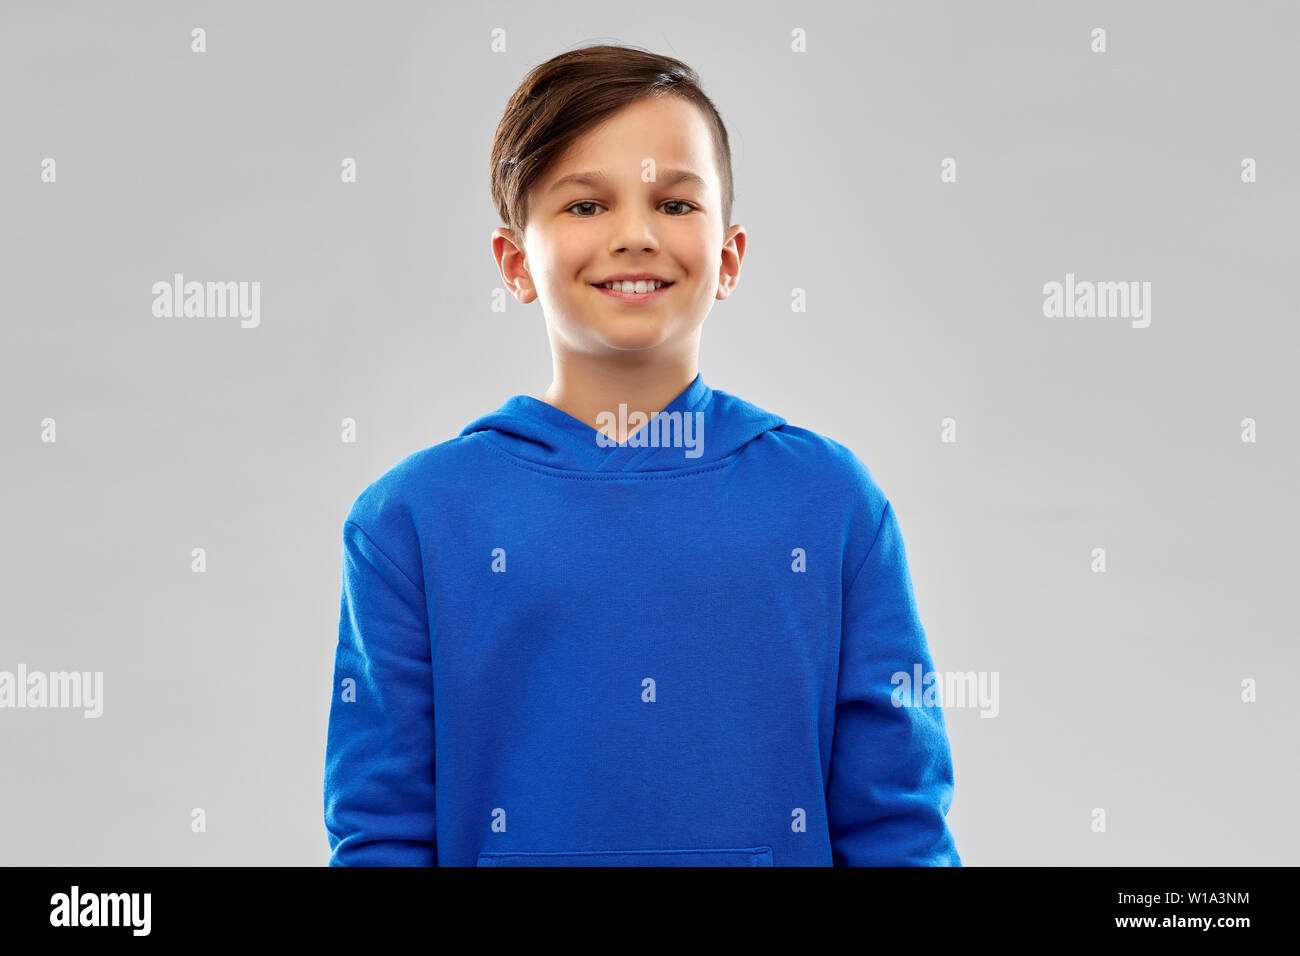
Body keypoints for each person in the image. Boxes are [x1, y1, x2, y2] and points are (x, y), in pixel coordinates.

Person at [323, 43, 961, 867]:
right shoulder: (410, 521)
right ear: (516, 262)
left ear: (729, 257)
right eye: (586, 206)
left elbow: (899, 828)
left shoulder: (831, 504)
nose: (634, 236)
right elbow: (383, 833)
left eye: (674, 203)